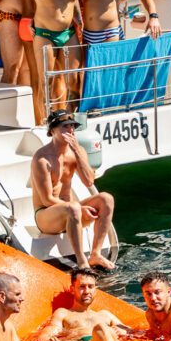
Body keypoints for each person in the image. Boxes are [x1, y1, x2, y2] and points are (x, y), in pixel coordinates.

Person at [30, 109, 115, 270]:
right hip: (46, 216)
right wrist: (80, 208)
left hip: (71, 211)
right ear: (52, 131)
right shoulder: (42, 158)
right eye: (65, 126)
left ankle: (95, 254)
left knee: (106, 199)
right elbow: (47, 199)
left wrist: (77, 151)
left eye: (72, 126)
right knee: (73, 207)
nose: (70, 130)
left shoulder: (78, 151)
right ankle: (82, 261)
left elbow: (89, 181)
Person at [38, 267, 130, 341]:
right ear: (72, 289)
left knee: (101, 327)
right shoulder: (64, 313)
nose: (87, 291)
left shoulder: (105, 314)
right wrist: (50, 340)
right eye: (82, 287)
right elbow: (47, 334)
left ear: (95, 289)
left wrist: (121, 331)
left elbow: (131, 331)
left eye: (90, 287)